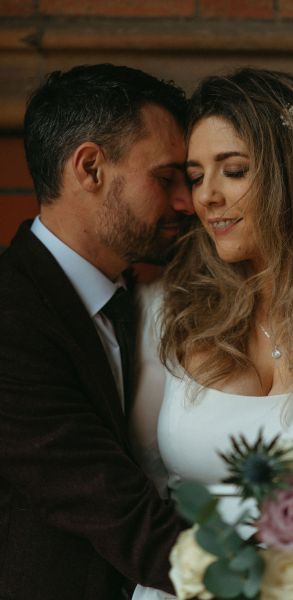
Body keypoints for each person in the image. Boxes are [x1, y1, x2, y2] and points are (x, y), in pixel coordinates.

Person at [131, 68, 293, 599]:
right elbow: (137, 481)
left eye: (232, 170)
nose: (206, 195)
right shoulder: (168, 311)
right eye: (195, 174)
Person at [0, 64, 194, 600]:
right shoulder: (10, 316)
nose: (188, 202)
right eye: (165, 177)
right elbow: (109, 502)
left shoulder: (137, 301)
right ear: (90, 168)